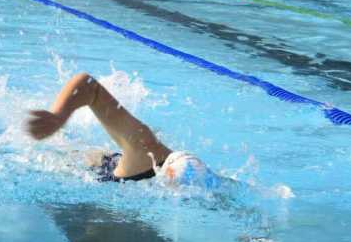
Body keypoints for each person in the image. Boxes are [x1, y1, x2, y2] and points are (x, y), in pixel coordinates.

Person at [26, 73, 217, 187]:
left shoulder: (208, 184)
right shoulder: (145, 148)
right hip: (93, 169)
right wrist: (58, 117)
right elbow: (87, 84)